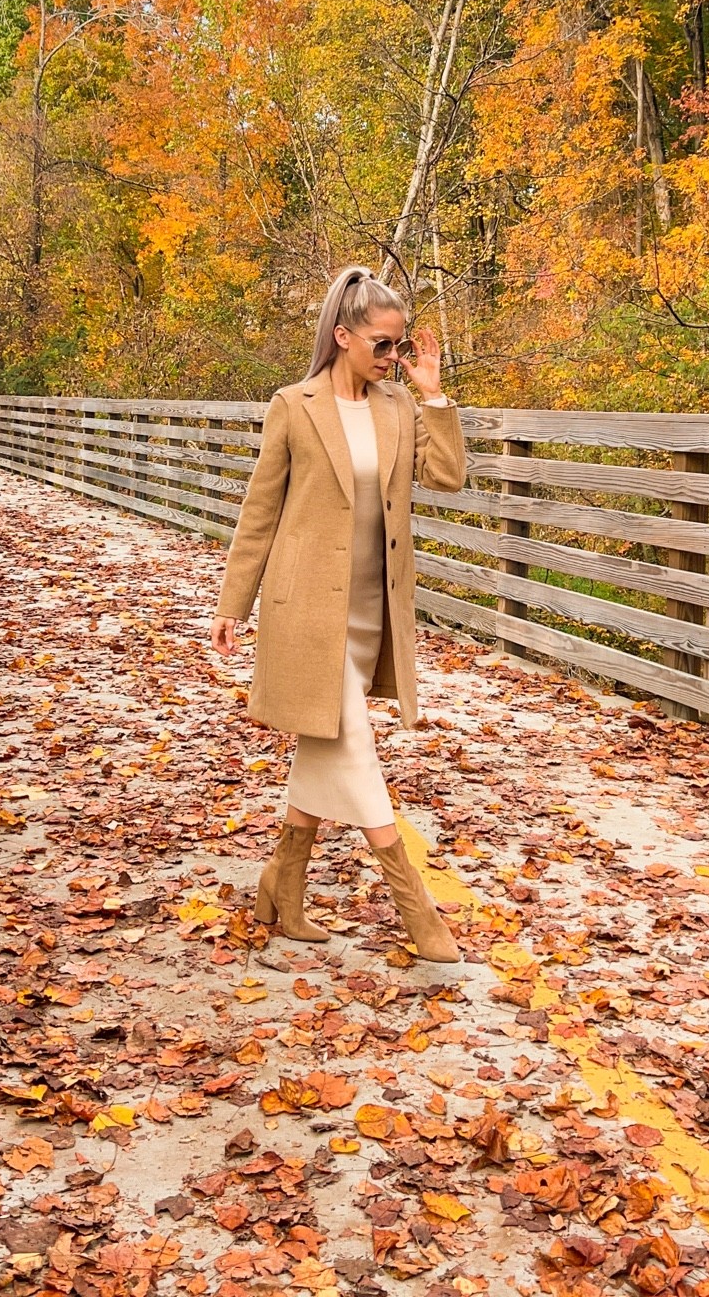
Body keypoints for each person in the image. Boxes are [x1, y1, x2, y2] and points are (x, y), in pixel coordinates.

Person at [210, 265, 467, 962]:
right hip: (306, 614)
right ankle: (415, 906)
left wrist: (435, 397)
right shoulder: (293, 405)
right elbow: (261, 510)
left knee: (327, 745)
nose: (393, 358)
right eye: (383, 346)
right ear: (344, 336)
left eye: (400, 344)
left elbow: (446, 477)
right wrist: (235, 600)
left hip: (371, 614)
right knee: (352, 743)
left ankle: (282, 887)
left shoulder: (397, 407)